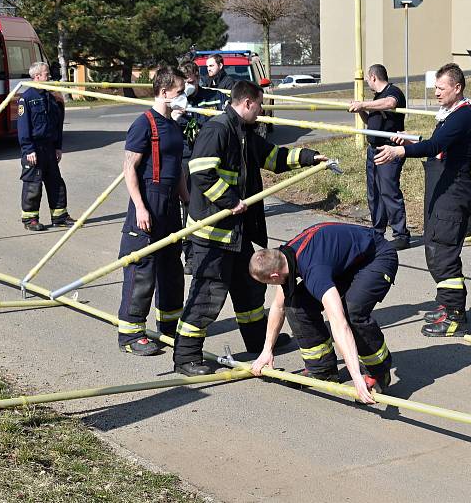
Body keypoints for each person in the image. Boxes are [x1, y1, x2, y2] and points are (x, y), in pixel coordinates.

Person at [173, 80, 327, 376]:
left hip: (238, 233)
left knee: (250, 290)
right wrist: (231, 201)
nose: (262, 110)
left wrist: (308, 157)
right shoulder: (217, 130)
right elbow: (200, 173)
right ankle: (187, 355)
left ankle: (257, 340)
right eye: (259, 104)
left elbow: (274, 158)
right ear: (247, 103)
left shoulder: (246, 133)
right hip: (214, 234)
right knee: (207, 295)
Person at [374, 63, 471, 337]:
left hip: (453, 195)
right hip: (441, 193)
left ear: (457, 88)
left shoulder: (462, 116)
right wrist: (409, 143)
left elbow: (435, 146)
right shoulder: (449, 115)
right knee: (434, 249)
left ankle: (455, 316)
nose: (436, 92)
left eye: (441, 88)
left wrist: (400, 152)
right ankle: (446, 304)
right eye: (436, 87)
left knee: (443, 253)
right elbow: (436, 143)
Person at [249, 222, 397, 404]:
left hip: (376, 257)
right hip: (345, 262)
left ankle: (377, 372)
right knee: (295, 304)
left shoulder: (314, 271)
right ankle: (323, 370)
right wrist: (266, 350)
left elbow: (339, 323)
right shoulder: (284, 256)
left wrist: (356, 376)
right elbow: (278, 306)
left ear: (274, 276)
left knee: (353, 312)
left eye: (267, 284)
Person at [116, 66, 190, 355]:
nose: (183, 96)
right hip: (148, 204)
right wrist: (140, 207)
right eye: (179, 92)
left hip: (170, 206)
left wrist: (187, 201)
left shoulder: (173, 124)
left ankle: (169, 328)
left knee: (171, 268)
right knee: (141, 270)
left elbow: (178, 169)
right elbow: (129, 169)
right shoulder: (143, 124)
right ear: (163, 92)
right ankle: (131, 335)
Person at [348, 64, 410, 251]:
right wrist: (360, 110)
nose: (367, 82)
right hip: (373, 150)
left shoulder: (393, 92)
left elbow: (391, 104)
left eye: (368, 79)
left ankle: (401, 234)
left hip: (389, 150)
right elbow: (371, 123)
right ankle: (378, 230)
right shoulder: (376, 99)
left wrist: (363, 104)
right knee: (374, 193)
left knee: (389, 191)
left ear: (373, 77)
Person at [175, 61, 229, 274]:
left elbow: (228, 113)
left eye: (191, 80)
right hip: (188, 162)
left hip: (212, 162)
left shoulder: (214, 97)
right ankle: (190, 256)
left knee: (213, 207)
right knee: (190, 210)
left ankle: (215, 251)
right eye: (184, 82)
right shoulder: (178, 103)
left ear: (198, 77)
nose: (189, 85)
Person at [17, 61, 74, 231]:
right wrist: (28, 150)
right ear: (36, 77)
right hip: (34, 149)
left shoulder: (50, 97)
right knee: (33, 185)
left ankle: (60, 217)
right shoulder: (26, 99)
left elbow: (56, 125)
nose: (49, 76)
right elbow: (23, 127)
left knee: (56, 183)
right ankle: (30, 220)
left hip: (49, 148)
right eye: (46, 74)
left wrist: (58, 147)